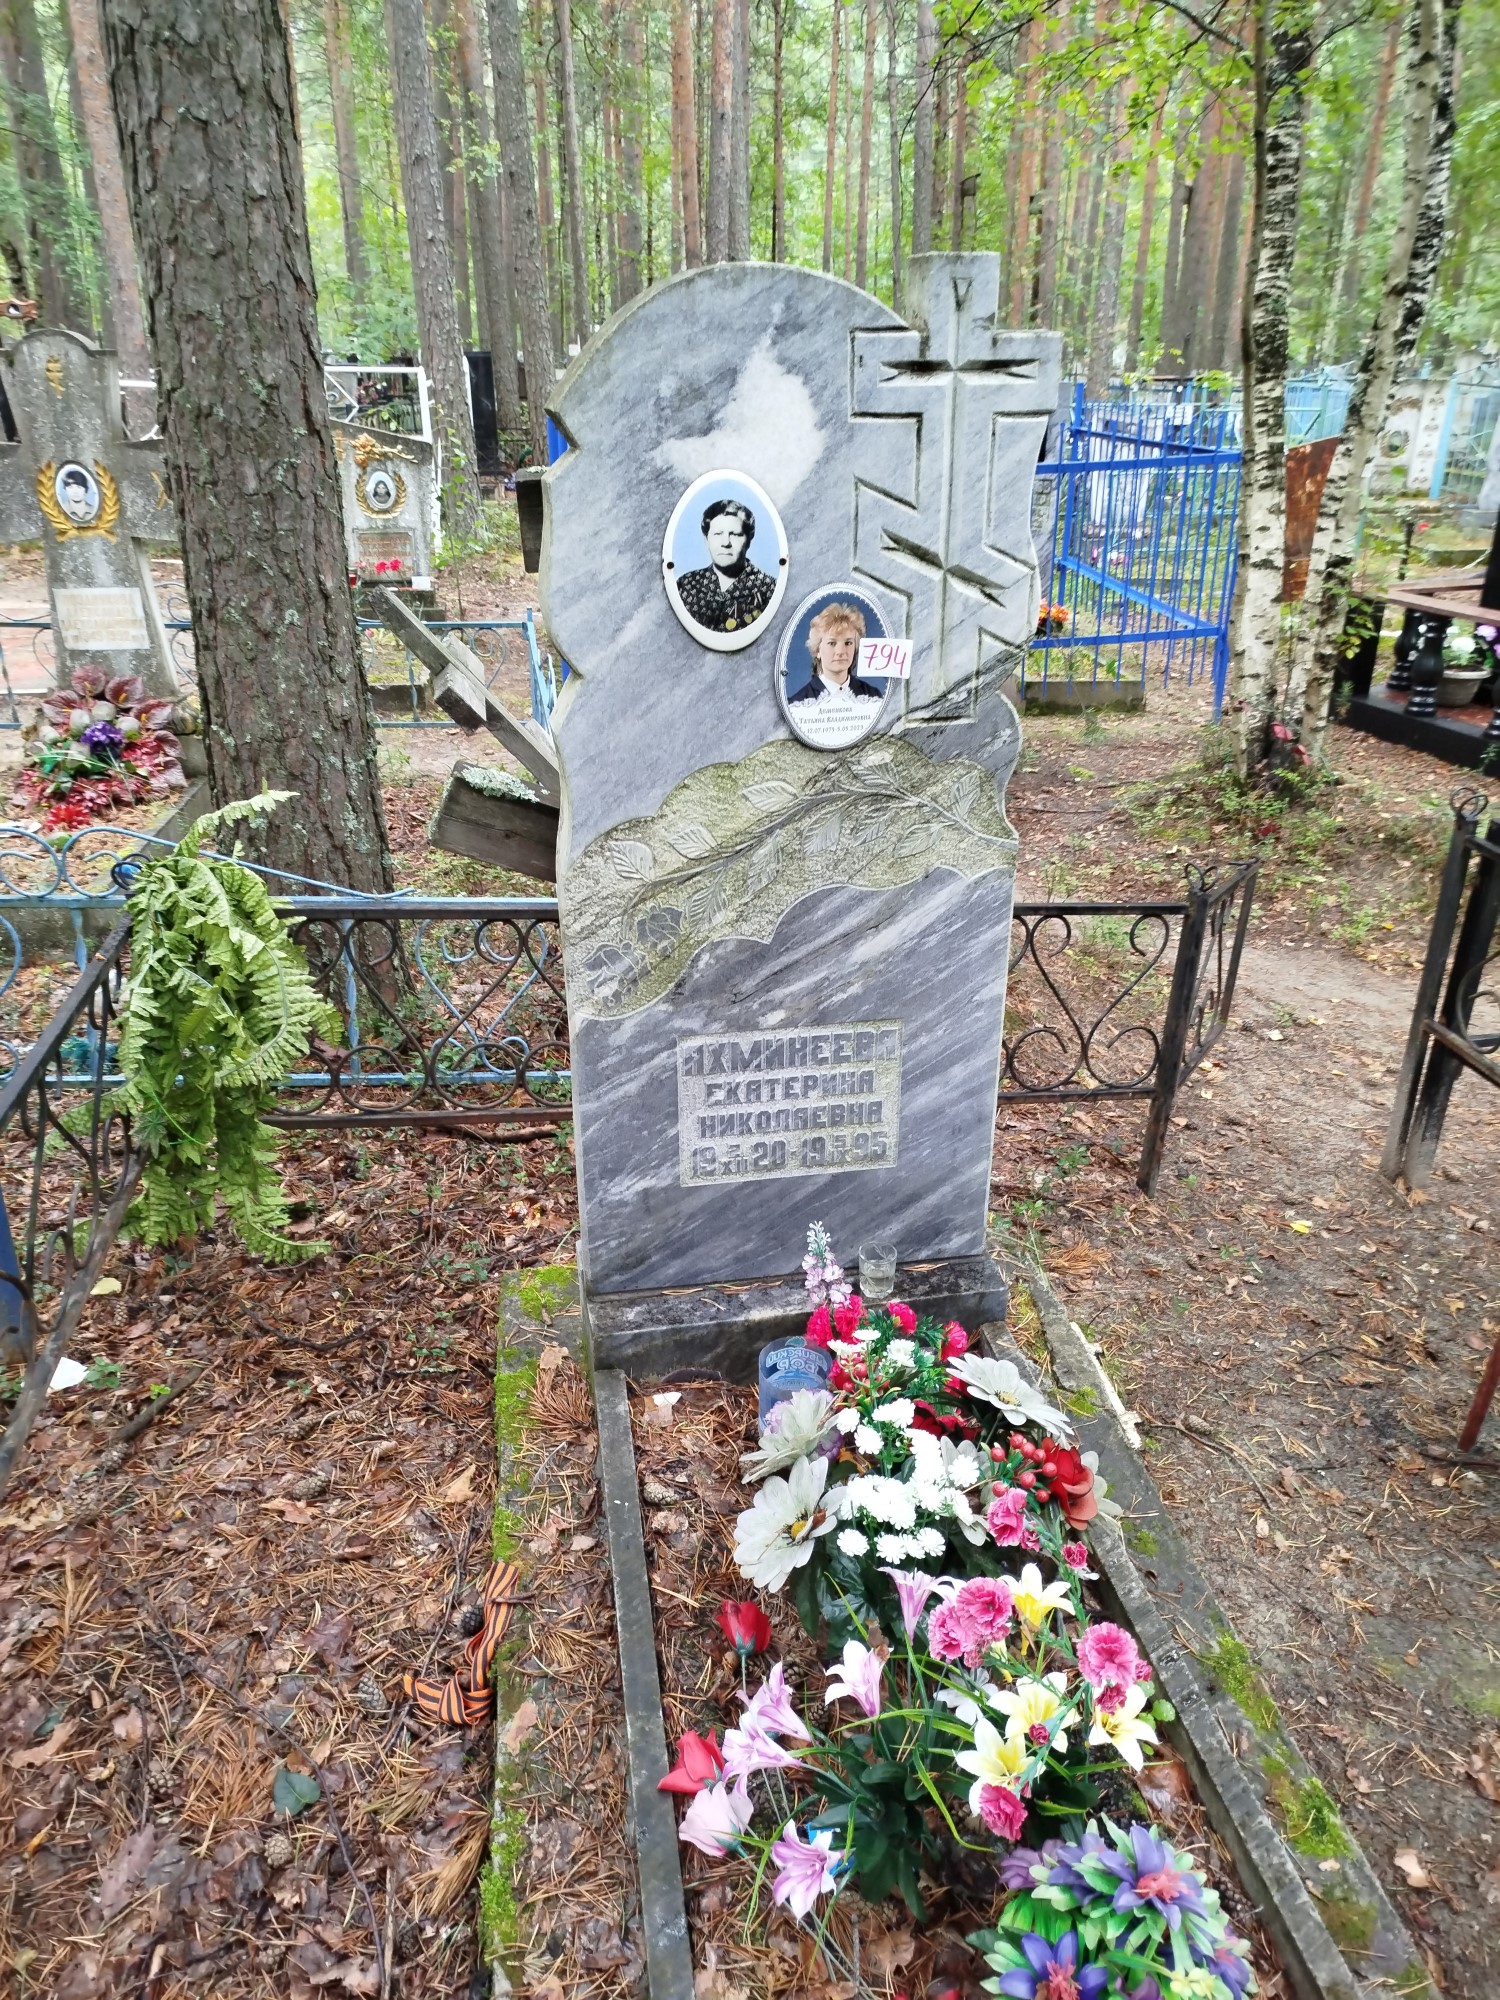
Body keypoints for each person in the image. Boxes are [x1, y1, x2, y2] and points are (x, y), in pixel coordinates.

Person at [674, 499, 778, 635]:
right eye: (718, 534)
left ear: (748, 540)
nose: (725, 543)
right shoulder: (686, 585)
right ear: (706, 540)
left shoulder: (769, 589)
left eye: (734, 534)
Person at [786, 602, 886, 705]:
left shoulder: (873, 696)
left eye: (848, 643)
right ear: (818, 650)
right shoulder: (798, 704)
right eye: (832, 643)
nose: (840, 652)